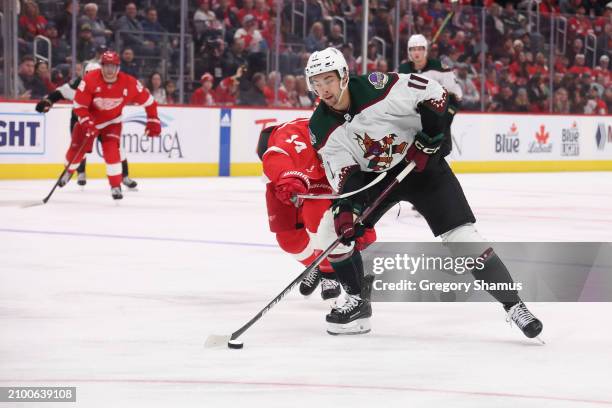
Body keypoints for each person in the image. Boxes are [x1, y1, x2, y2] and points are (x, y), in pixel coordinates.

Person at [304, 47, 543, 339]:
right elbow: (345, 174)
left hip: (422, 168)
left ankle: (514, 306)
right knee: (331, 231)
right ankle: (356, 301)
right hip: (375, 177)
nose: (323, 88)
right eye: (316, 82)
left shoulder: (377, 88)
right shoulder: (320, 126)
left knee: (463, 239)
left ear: (343, 75)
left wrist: (430, 137)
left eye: (328, 79)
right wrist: (347, 212)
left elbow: (436, 94)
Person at [257, 118, 375, 299]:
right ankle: (314, 265)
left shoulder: (356, 138)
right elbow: (276, 155)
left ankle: (329, 272)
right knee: (289, 240)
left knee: (328, 222)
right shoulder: (298, 136)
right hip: (287, 174)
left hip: (325, 176)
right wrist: (286, 177)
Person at [61, 51, 161, 199]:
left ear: (118, 67)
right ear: (101, 66)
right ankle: (68, 171)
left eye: (112, 67)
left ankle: (115, 186)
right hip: (89, 121)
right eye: (106, 66)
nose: (109, 70)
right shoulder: (90, 79)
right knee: (76, 149)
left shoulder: (129, 83)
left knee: (112, 150)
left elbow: (150, 102)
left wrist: (153, 119)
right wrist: (86, 121)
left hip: (111, 122)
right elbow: (79, 105)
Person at [35, 61, 139, 189]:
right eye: (89, 74)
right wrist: (47, 102)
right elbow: (58, 93)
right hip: (80, 120)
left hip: (104, 123)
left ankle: (124, 176)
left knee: (117, 149)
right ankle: (77, 172)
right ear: (84, 75)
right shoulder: (76, 86)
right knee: (78, 148)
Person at [398, 34, 463, 156]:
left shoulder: (440, 68)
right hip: (412, 118)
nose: (416, 52)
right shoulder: (403, 70)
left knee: (441, 150)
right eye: (413, 49)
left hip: (435, 117)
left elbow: (456, 93)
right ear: (408, 52)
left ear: (425, 50)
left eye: (420, 49)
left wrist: (448, 113)